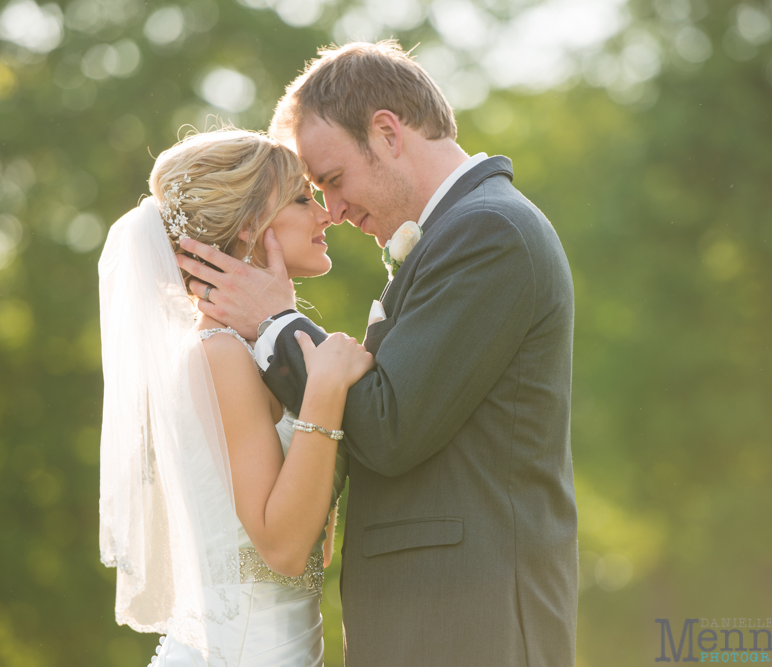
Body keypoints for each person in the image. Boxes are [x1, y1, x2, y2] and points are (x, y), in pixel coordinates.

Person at [177, 42, 578, 666]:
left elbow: (389, 428)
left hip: (473, 628)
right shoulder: (458, 233)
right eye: (314, 193)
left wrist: (275, 323)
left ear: (388, 132)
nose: (332, 211)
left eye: (332, 180)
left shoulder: (489, 232)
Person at [97, 128, 372, 667]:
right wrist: (324, 391)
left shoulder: (249, 354)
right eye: (301, 199)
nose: (325, 216)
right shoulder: (218, 355)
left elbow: (315, 548)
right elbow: (285, 550)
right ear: (248, 227)